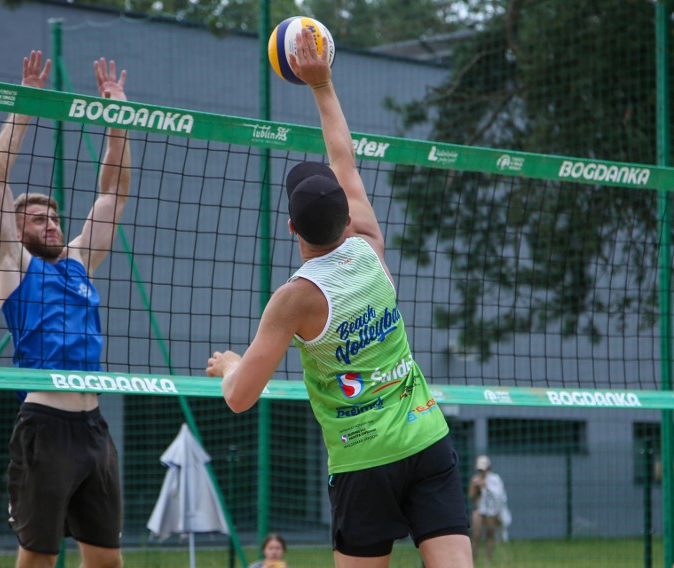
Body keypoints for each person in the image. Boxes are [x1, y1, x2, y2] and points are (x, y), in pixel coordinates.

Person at [206, 29, 473, 568]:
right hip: (426, 437)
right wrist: (322, 85)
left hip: (362, 459)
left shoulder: (294, 298)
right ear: (346, 219)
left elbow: (240, 397)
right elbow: (343, 157)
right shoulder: (370, 246)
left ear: (290, 228)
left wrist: (230, 364)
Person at [0, 50, 131, 568]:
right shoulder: (13, 266)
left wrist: (117, 117)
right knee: (38, 560)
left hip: (94, 428)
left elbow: (113, 190)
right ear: (17, 233)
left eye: (53, 216)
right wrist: (25, 106)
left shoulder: (79, 263)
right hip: (44, 425)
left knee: (106, 560)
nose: (49, 223)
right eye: (37, 219)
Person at [468, 455, 509, 563]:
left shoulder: (495, 479)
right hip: (480, 510)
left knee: (490, 535)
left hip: (492, 510)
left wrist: (486, 486)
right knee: (476, 536)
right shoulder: (475, 479)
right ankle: (472, 561)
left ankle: (487, 561)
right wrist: (475, 487)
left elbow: (499, 496)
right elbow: (472, 498)